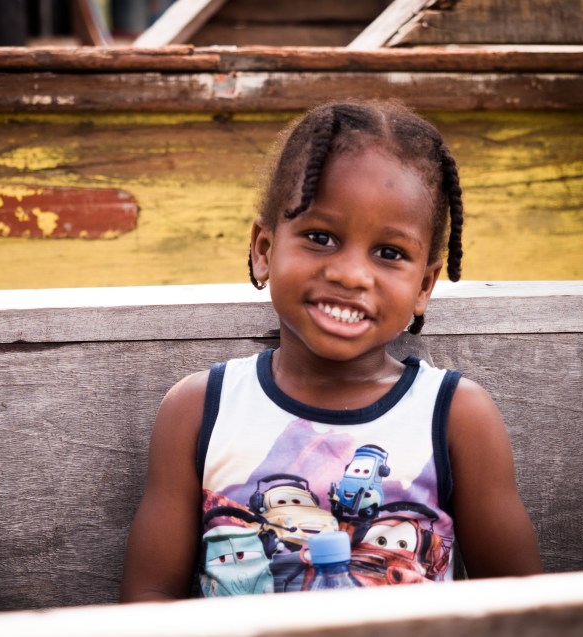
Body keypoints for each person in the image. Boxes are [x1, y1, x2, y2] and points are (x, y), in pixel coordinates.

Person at [119, 99, 542, 602]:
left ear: (425, 284)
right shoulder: (198, 410)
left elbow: (523, 608)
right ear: (264, 250)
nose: (350, 274)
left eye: (389, 253)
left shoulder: (455, 415)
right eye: (320, 237)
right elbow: (148, 606)